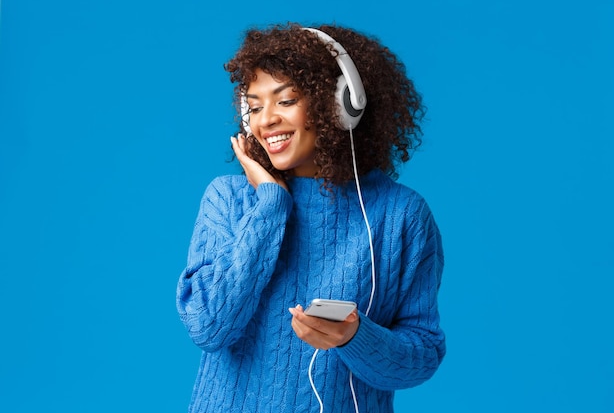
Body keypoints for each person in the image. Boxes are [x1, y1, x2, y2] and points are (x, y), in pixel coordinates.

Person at [176, 22, 445, 413]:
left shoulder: (400, 216)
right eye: (254, 106)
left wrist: (355, 337)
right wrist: (270, 205)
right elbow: (208, 326)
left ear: (340, 104)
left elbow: (422, 355)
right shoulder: (229, 199)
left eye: (285, 101)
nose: (265, 120)